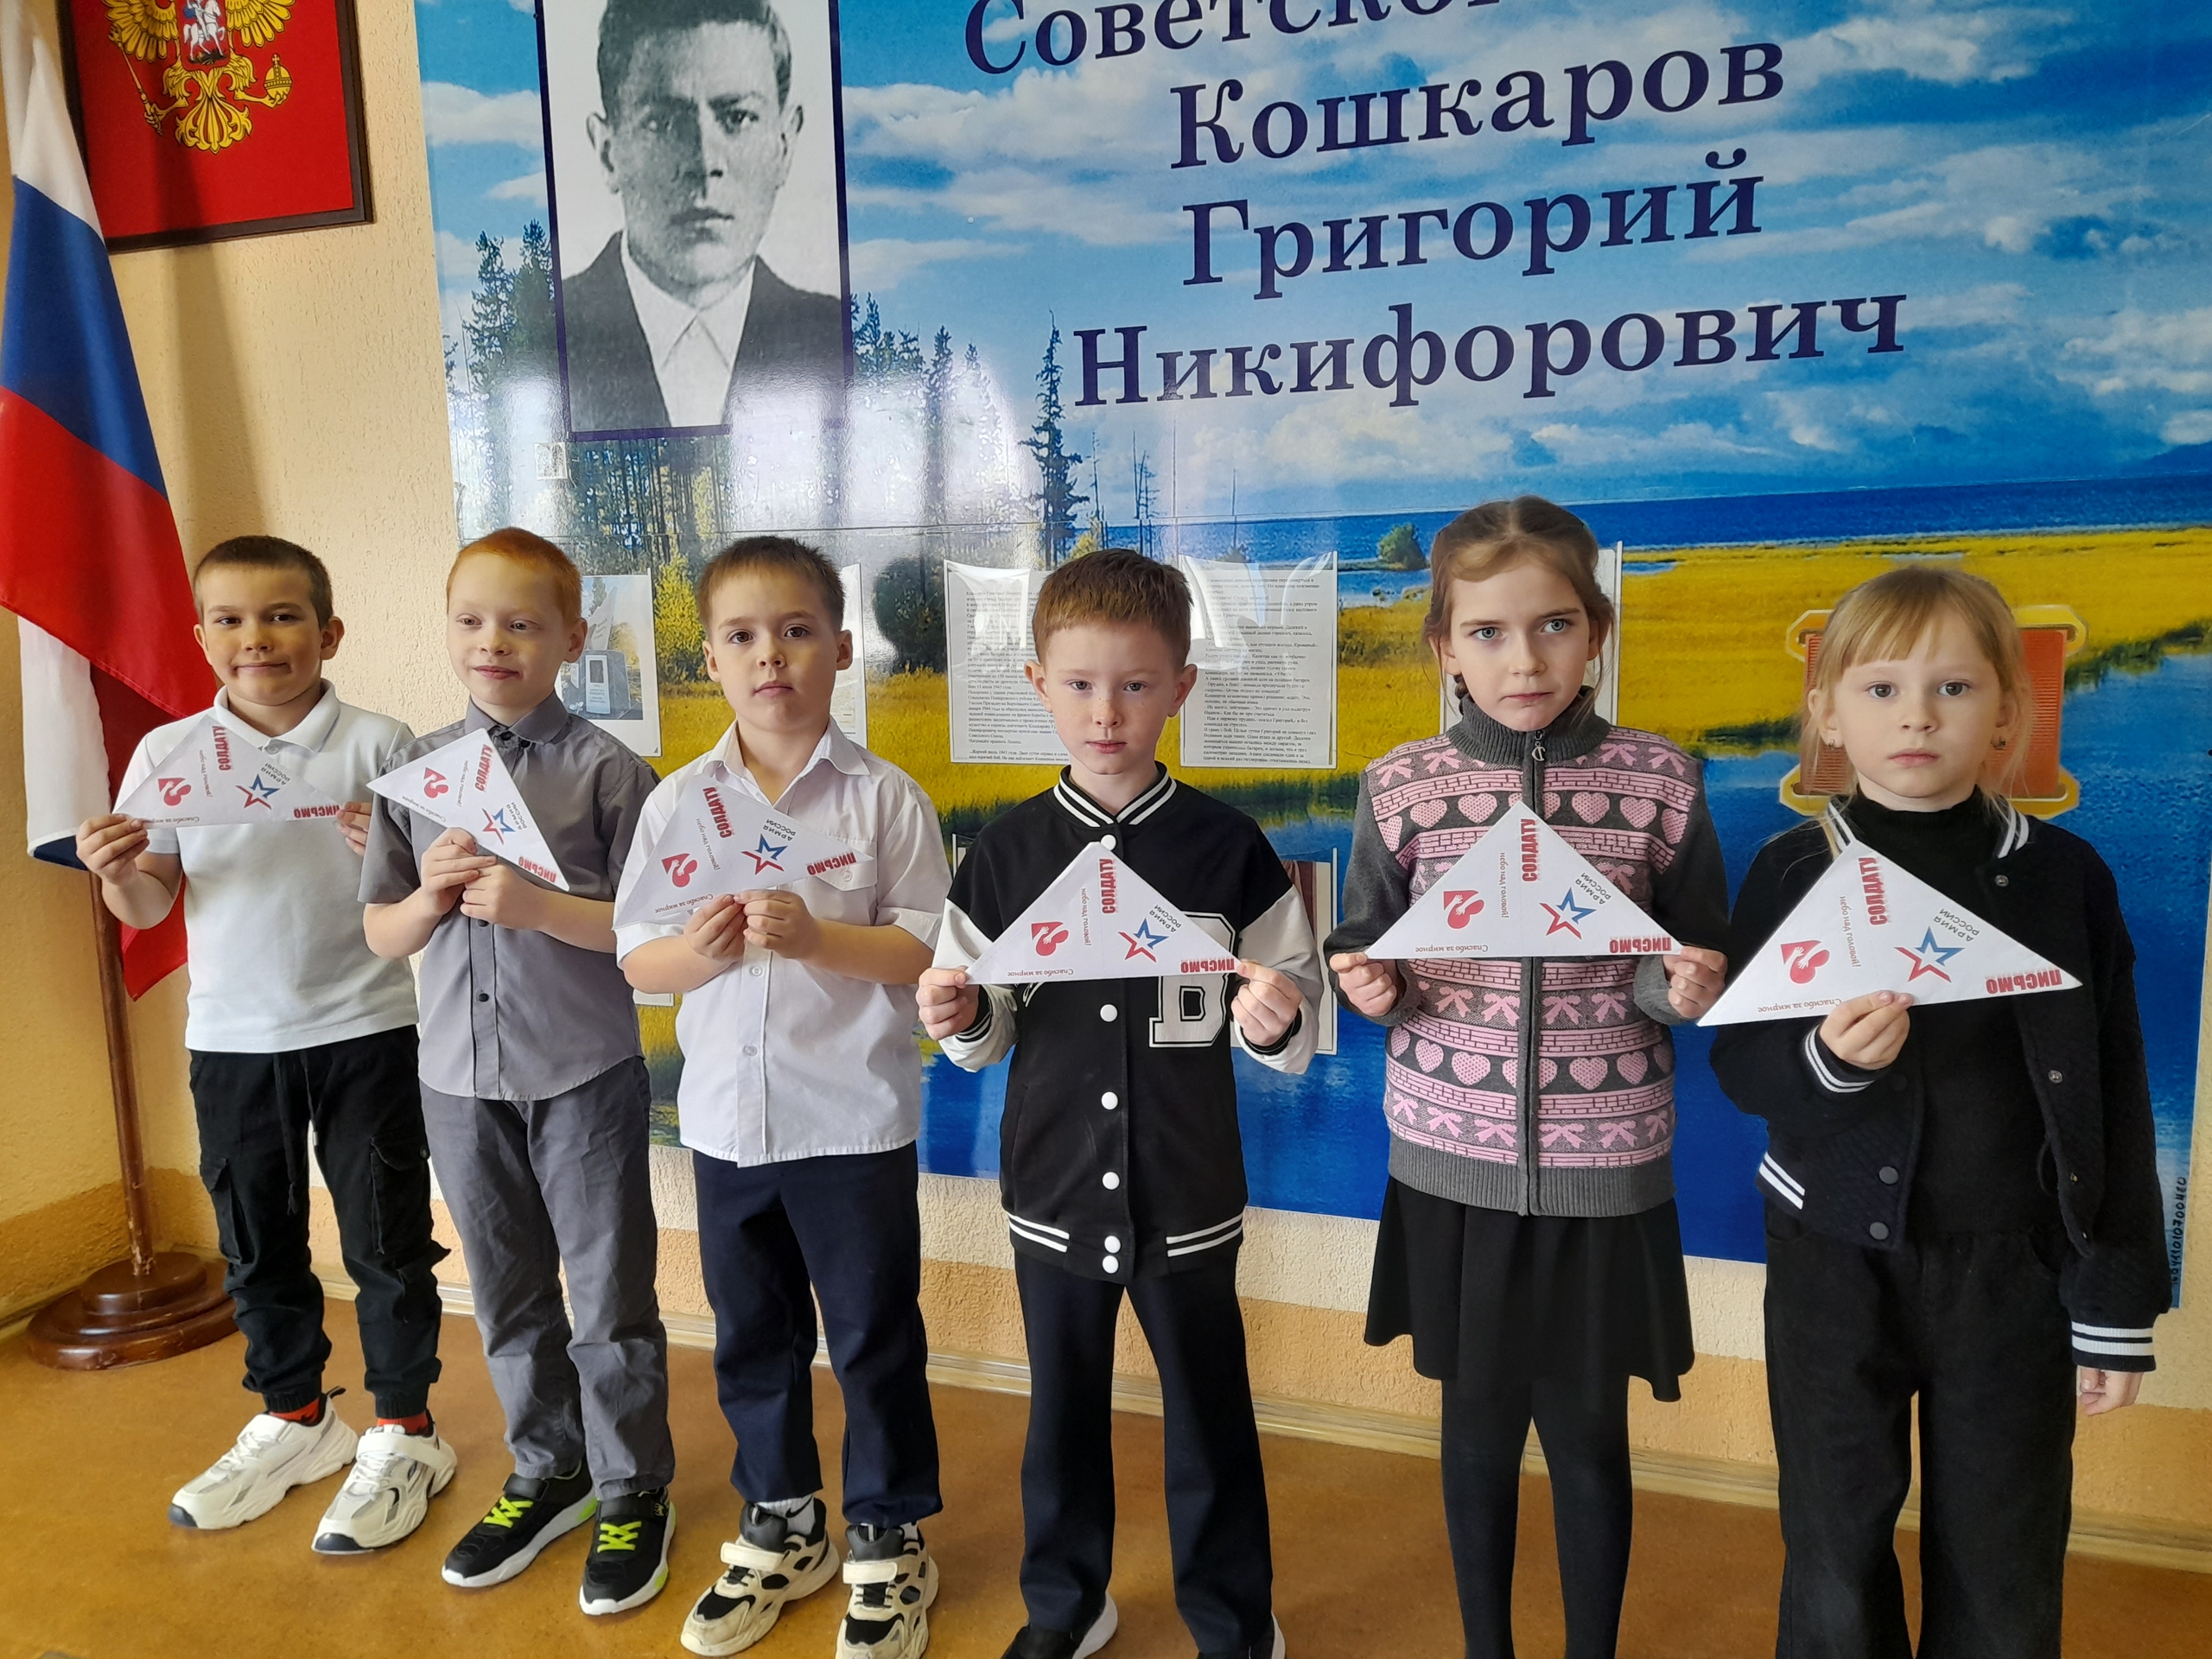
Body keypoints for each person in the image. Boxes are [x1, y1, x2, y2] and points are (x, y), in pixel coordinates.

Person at [1709, 566, 2169, 1659]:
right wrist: (1826, 1062)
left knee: (2005, 1560)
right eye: (1879, 689)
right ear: (1826, 713)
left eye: (1953, 688)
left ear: (2007, 714)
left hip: (2013, 1268)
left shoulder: (2065, 877)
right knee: (1833, 1553)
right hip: (1830, 1264)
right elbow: (1740, 1066)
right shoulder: (1790, 868)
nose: (1915, 715)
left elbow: (2112, 1089)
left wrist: (2112, 1299)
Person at [1324, 498, 1730, 1659]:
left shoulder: (1663, 781)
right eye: (1488, 632)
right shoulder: (1400, 785)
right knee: (1476, 1433)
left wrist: (1684, 985)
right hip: (1451, 1165)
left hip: (1608, 1164)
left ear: (1596, 630)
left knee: (1591, 1438)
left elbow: (1694, 956)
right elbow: (1366, 942)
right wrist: (1370, 986)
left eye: (1554, 625)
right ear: (1444, 648)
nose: (1525, 660)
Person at [918, 550, 1324, 1659]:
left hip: (1189, 1191)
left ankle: (1233, 1620)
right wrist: (958, 1012)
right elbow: (980, 1038)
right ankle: (1065, 1605)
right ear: (1038, 685)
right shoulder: (1001, 856)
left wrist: (1273, 1016)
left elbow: (1290, 1013)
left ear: (1180, 688)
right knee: (1061, 1415)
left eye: (1137, 685)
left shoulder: (1229, 849)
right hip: (1050, 1189)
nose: (1108, 713)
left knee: (1209, 1416)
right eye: (1082, 684)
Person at [76, 536, 454, 1551]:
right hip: (232, 1038)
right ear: (201, 638)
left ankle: (406, 1429)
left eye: (284, 616)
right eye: (232, 620)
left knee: (386, 1238)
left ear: (329, 634)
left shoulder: (382, 742)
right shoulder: (169, 754)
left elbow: (426, 892)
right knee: (255, 1239)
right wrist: (116, 872)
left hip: (367, 1026)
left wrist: (390, 854)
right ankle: (295, 1415)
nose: (258, 638)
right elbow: (152, 898)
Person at [616, 537, 950, 1659]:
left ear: (841, 650)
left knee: (871, 1335)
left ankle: (889, 1533)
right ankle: (784, 1517)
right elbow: (637, 958)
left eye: (798, 631)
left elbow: (923, 950)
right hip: (725, 1124)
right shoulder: (677, 804)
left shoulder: (883, 800)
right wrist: (699, 955)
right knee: (752, 1335)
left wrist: (815, 938)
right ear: (710, 659)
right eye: (745, 636)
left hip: (852, 1122)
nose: (772, 656)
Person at [359, 528, 676, 1616]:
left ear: (572, 640)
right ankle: (550, 1468)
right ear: (447, 630)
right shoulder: (418, 775)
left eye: (523, 623)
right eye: (472, 620)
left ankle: (632, 1485)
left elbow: (651, 935)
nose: (494, 641)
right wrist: (430, 895)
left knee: (610, 1295)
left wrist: (539, 906)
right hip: (457, 1078)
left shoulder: (610, 772)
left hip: (582, 1073)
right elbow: (383, 932)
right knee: (503, 1291)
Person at [562, 0, 845, 435]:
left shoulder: (840, 338)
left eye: (738, 117)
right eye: (663, 123)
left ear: (784, 146)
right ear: (608, 153)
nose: (705, 161)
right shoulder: (540, 332)